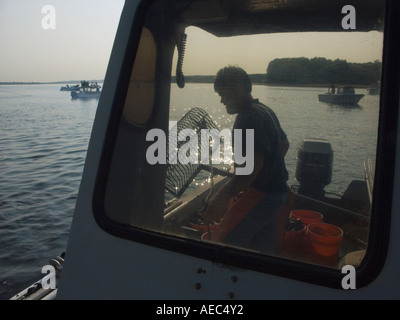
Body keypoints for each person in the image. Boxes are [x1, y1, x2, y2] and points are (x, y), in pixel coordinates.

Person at [203, 66, 289, 254]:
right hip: (279, 194)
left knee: (221, 245)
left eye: (223, 93)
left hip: (263, 195)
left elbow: (249, 170)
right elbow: (284, 145)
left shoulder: (246, 119)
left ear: (237, 89)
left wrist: (222, 196)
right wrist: (262, 174)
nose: (221, 100)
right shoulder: (264, 110)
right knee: (263, 249)